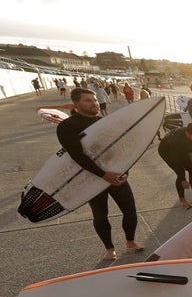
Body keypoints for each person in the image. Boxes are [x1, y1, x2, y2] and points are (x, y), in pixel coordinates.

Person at [56, 88, 144, 261]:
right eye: (88, 100)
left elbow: (120, 149)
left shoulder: (104, 122)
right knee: (100, 214)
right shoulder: (67, 126)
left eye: (95, 100)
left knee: (130, 209)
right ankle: (109, 248)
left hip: (115, 174)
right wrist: (102, 174)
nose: (94, 103)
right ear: (76, 104)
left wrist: (125, 171)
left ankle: (130, 241)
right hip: (91, 176)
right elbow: (77, 155)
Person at [158, 122, 192, 207]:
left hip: (180, 149)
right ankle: (182, 199)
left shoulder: (190, 132)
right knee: (180, 173)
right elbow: (176, 161)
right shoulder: (177, 141)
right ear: (188, 133)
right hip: (166, 151)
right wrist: (183, 179)